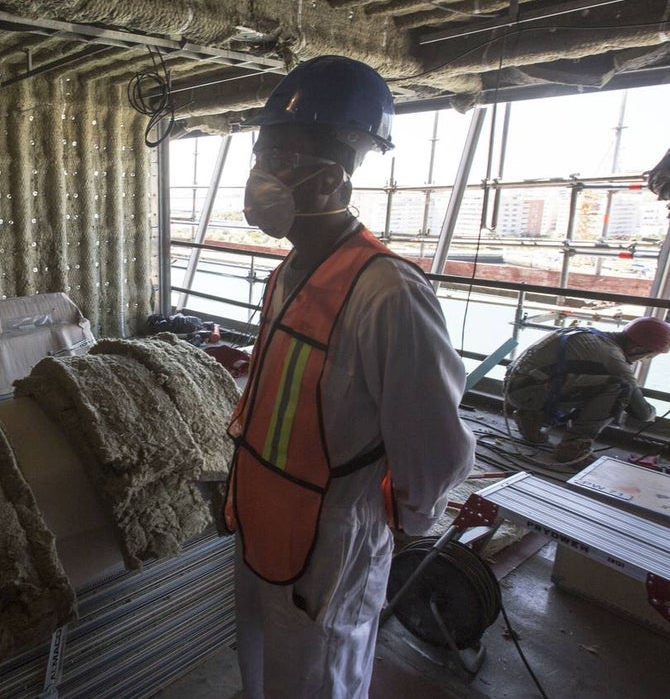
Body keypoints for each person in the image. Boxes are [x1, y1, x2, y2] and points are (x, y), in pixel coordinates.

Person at [222, 56, 475, 699]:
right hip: (262, 525)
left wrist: (397, 524)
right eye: (263, 154)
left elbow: (435, 448)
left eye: (282, 158)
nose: (261, 176)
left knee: (317, 683)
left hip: (332, 546)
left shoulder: (388, 292)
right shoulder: (287, 274)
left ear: (332, 182)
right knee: (263, 680)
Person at [503, 317, 670, 459]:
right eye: (648, 356)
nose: (644, 360)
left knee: (587, 383)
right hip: (528, 393)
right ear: (636, 348)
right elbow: (641, 412)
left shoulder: (589, 333)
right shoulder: (611, 356)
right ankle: (573, 447)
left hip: (517, 388)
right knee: (619, 387)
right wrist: (653, 415)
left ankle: (532, 417)